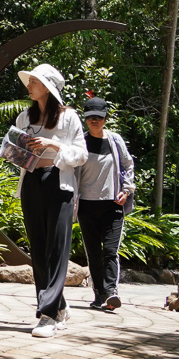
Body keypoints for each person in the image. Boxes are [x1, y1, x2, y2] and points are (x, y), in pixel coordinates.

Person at [0, 63, 87, 338]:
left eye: (34, 81)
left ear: (48, 86)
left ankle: (48, 314)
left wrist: (52, 145)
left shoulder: (69, 118)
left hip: (58, 184)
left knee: (56, 247)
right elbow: (13, 151)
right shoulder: (25, 116)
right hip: (32, 184)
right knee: (38, 247)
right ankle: (57, 304)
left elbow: (81, 155)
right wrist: (18, 148)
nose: (29, 86)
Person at [73, 96, 135, 313]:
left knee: (110, 250)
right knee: (93, 252)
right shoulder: (80, 141)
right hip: (87, 206)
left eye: (99, 117)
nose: (95, 121)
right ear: (86, 119)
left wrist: (126, 189)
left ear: (106, 118)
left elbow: (127, 165)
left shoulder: (115, 141)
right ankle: (99, 294)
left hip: (113, 205)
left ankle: (111, 293)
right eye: (90, 117)